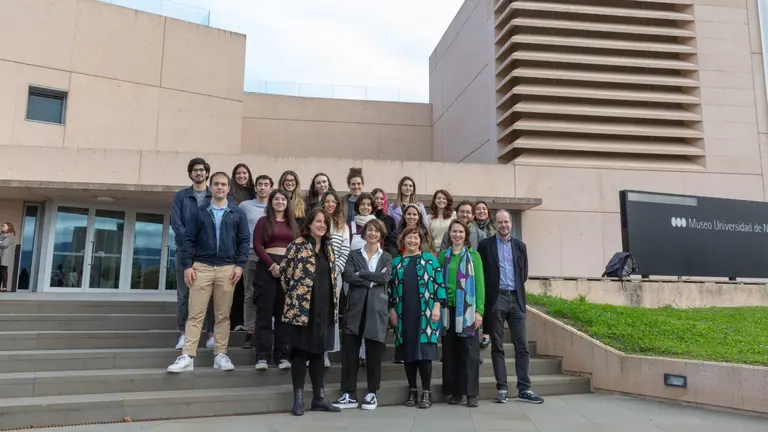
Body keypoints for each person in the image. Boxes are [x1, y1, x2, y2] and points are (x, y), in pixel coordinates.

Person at [166, 171, 250, 373]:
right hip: (201, 267)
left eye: (224, 184)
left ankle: (220, 354)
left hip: (227, 268)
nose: (220, 187)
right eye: (217, 184)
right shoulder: (200, 212)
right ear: (211, 187)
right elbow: (188, 240)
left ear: (228, 188)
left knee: (223, 316)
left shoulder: (237, 213)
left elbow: (244, 240)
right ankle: (187, 356)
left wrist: (240, 265)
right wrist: (187, 265)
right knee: (195, 314)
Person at [477, 210, 543, 404]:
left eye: (506, 222)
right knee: (497, 346)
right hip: (496, 299)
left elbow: (524, 273)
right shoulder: (485, 245)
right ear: (495, 224)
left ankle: (524, 389)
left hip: (516, 299)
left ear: (511, 223)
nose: (503, 225)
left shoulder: (520, 246)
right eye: (500, 222)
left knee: (522, 346)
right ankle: (502, 388)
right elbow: (482, 273)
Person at [280, 208, 342, 416]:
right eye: (318, 221)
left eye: (325, 222)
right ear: (309, 224)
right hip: (302, 309)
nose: (322, 225)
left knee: (319, 353)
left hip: (324, 309)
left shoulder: (328, 247)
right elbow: (285, 273)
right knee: (299, 352)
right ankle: (298, 399)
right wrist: (297, 296)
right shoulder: (298, 245)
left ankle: (319, 398)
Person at [333, 219, 393, 411]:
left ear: (381, 235)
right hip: (355, 308)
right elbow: (348, 276)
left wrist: (362, 274)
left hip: (377, 308)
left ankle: (372, 392)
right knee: (350, 352)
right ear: (364, 233)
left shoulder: (387, 257)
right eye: (370, 230)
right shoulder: (353, 254)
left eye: (377, 231)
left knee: (374, 352)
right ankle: (348, 393)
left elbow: (385, 277)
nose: (373, 234)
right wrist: (371, 280)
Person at [389, 225, 446, 409]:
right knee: (408, 354)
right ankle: (413, 391)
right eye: (409, 237)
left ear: (420, 241)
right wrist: (391, 309)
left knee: (424, 354)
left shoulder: (430, 259)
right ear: (403, 240)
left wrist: (437, 305)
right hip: (403, 313)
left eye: (416, 237)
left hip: (427, 314)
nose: (412, 240)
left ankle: (426, 392)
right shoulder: (396, 262)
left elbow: (439, 284)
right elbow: (390, 289)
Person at [438, 219, 485, 408]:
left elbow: (480, 285)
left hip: (467, 309)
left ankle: (471, 393)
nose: (457, 235)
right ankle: (456, 392)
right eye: (454, 231)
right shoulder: (443, 256)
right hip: (447, 310)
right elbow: (438, 283)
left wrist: (479, 311)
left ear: (466, 235)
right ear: (449, 234)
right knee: (450, 352)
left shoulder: (474, 256)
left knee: (470, 352)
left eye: (460, 232)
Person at [170, 158, 214, 350]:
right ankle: (183, 334)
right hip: (184, 251)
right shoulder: (181, 196)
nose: (198, 173)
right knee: (184, 295)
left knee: (210, 295)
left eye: (201, 170)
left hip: (208, 253)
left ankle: (211, 335)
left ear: (207, 173)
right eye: (195, 170)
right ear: (190, 174)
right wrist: (190, 243)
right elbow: (176, 223)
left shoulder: (213, 196)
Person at [253, 189, 299, 370]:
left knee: (283, 315)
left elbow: (297, 248)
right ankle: (262, 357)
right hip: (266, 268)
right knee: (264, 314)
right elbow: (257, 245)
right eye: (276, 199)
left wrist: (286, 267)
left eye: (283, 199)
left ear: (287, 203)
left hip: (288, 271)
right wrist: (272, 265)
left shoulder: (293, 224)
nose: (280, 202)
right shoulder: (263, 221)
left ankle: (282, 356)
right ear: (271, 202)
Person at [238, 174, 273, 349]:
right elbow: (238, 229)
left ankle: (266, 330)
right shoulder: (245, 206)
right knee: (250, 294)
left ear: (271, 188)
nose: (262, 187)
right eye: (260, 184)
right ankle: (249, 332)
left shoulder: (275, 206)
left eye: (266, 184)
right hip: (251, 256)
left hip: (271, 257)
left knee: (269, 295)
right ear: (255, 187)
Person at [320, 191, 350, 367]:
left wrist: (334, 270)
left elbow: (345, 251)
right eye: (327, 201)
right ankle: (313, 350)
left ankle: (325, 353)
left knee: (330, 313)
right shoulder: (317, 222)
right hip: (316, 274)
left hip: (334, 276)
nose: (330, 204)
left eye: (333, 202)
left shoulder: (343, 227)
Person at [371, 188, 398, 257]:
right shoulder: (368, 218)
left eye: (382, 199)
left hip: (386, 254)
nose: (379, 201)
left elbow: (393, 241)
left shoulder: (390, 220)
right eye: (376, 198)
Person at [0, 222, 16, 292]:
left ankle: (4, 287)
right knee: (1, 270)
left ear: (9, 227)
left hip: (5, 255)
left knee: (3, 270)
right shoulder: (2, 235)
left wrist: (1, 243)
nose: (2, 227)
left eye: (4, 226)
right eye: (2, 226)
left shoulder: (11, 235)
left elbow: (4, 244)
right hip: (1, 254)